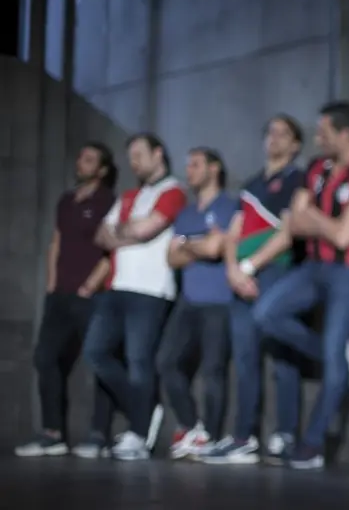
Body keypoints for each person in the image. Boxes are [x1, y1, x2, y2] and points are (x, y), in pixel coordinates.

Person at [251, 101, 349, 470]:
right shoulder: (316, 169)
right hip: (313, 267)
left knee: (334, 352)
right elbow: (295, 224)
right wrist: (318, 221)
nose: (317, 139)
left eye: (324, 133)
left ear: (346, 134)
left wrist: (312, 216)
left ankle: (312, 446)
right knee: (266, 315)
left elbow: (344, 236)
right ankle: (334, 357)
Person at [200, 115, 306, 465]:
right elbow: (233, 234)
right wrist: (233, 270)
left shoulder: (298, 180)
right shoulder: (250, 186)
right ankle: (244, 437)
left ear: (296, 144)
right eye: (270, 132)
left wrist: (249, 267)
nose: (274, 138)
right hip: (240, 281)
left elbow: (288, 233)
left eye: (283, 133)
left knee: (282, 357)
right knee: (245, 359)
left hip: (277, 273)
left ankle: (286, 434)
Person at [85, 133, 187, 460]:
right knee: (95, 352)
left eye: (139, 154)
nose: (134, 162)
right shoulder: (130, 195)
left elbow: (147, 230)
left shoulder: (173, 191)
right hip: (117, 286)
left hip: (150, 289)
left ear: (158, 154)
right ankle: (144, 409)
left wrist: (124, 232)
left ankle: (139, 434)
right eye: (130, 156)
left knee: (139, 361)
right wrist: (129, 233)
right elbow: (101, 236)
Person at [14, 143, 118, 458]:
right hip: (59, 295)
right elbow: (56, 242)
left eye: (89, 159)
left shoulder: (108, 202)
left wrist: (89, 285)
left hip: (91, 296)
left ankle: (99, 435)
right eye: (80, 157)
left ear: (101, 170)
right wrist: (51, 285)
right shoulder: (66, 201)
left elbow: (112, 250)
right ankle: (52, 434)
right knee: (44, 358)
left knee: (99, 361)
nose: (81, 162)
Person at [158, 148, 239, 459]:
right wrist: (200, 244)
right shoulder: (187, 214)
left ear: (214, 169)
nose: (188, 170)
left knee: (213, 370)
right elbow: (171, 258)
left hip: (219, 301)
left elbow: (216, 249)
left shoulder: (229, 207)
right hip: (189, 300)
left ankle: (213, 438)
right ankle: (193, 427)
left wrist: (188, 245)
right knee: (166, 361)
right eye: (187, 164)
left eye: (195, 164)